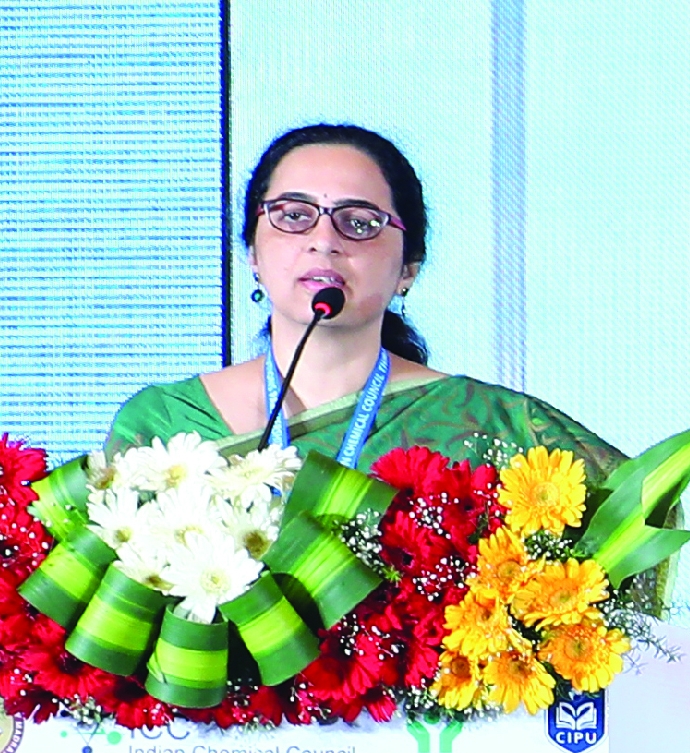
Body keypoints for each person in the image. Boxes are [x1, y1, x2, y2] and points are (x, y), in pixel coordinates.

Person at [107, 123, 628, 491]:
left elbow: (634, 538)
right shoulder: (166, 425)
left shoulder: (493, 427)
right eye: (294, 216)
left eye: (359, 223)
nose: (324, 241)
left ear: (409, 268)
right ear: (253, 254)